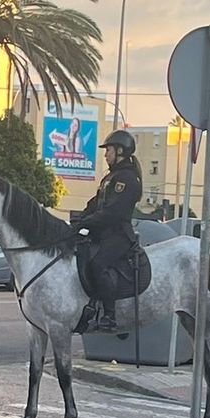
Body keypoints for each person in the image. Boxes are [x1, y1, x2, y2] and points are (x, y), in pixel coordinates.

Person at [78, 129, 144, 331]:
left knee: (98, 264)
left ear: (121, 151)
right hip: (103, 233)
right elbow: (96, 203)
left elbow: (113, 213)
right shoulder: (111, 177)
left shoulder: (127, 180)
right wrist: (79, 219)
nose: (106, 154)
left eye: (109, 150)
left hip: (118, 235)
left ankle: (109, 315)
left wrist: (86, 223)